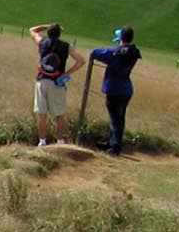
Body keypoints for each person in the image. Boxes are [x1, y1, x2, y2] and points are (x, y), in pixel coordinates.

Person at [89, 26, 142, 156]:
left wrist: (113, 48)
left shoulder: (116, 53)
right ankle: (112, 142)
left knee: (115, 119)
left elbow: (95, 52)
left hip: (114, 88)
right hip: (126, 88)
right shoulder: (133, 52)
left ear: (121, 38)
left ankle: (114, 147)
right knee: (119, 118)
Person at [28, 21, 84, 146]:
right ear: (59, 34)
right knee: (59, 114)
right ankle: (59, 140)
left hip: (42, 80)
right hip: (57, 82)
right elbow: (81, 61)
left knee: (42, 114)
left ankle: (42, 141)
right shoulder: (66, 46)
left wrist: (47, 26)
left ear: (48, 33)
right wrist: (67, 73)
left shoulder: (42, 43)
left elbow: (33, 30)